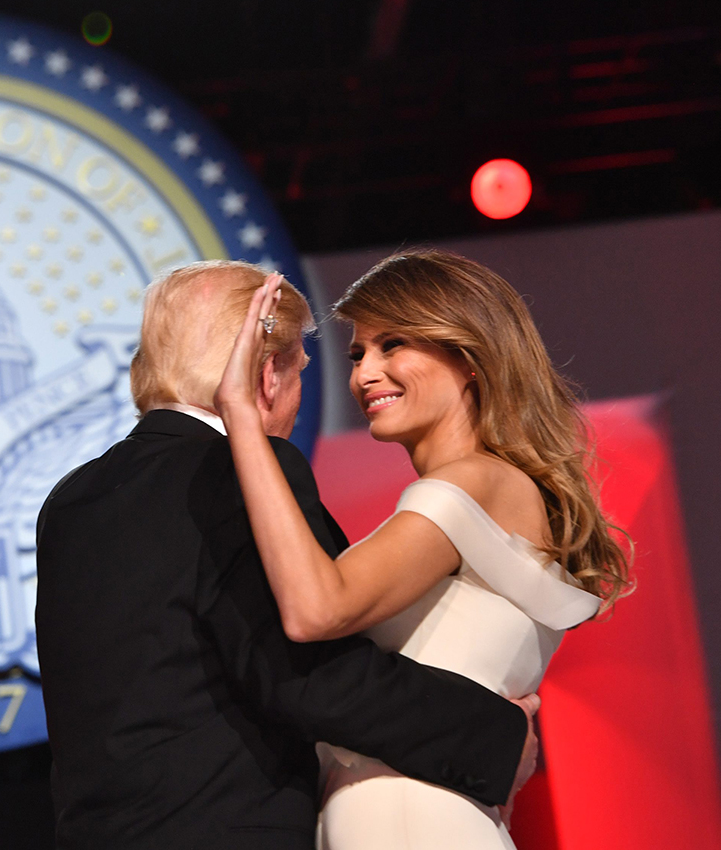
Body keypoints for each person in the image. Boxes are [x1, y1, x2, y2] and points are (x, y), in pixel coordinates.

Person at [35, 259, 540, 850]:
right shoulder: (241, 475)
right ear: (267, 374)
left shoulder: (73, 497)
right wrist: (498, 735)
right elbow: (308, 676)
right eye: (301, 370)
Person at [213, 250, 631, 849]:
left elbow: (316, 608)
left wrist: (242, 421)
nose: (364, 374)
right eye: (358, 353)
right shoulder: (495, 485)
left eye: (393, 345)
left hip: (409, 818)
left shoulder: (467, 485)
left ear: (469, 357)